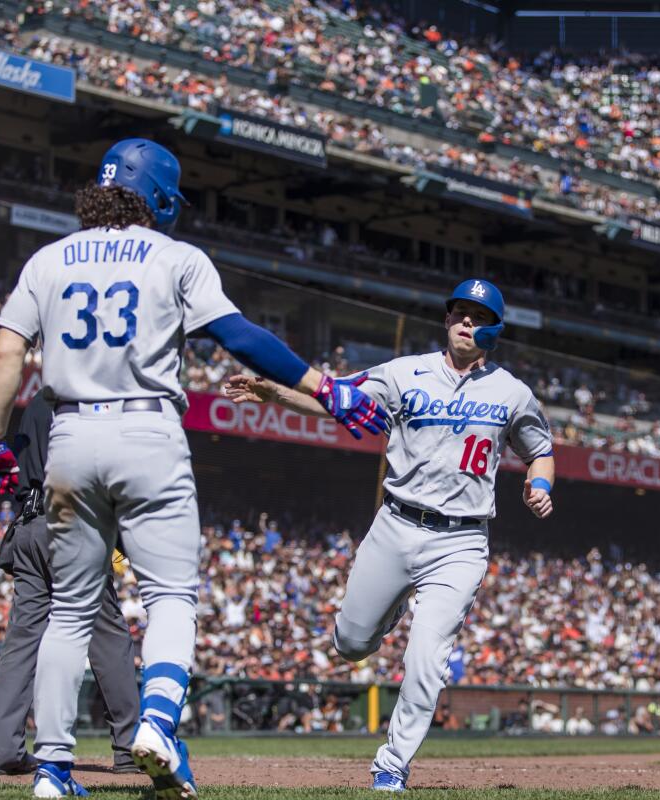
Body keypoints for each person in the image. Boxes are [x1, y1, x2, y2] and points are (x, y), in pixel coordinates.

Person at [0, 138, 385, 799]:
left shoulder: (48, 259)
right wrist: (325, 387)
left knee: (70, 612)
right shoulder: (175, 257)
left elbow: (5, 353)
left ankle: (53, 772)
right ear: (162, 199)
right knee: (170, 596)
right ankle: (159, 723)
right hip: (146, 430)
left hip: (71, 435)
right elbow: (241, 338)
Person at [224, 278, 555, 791]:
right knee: (352, 644)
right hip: (396, 524)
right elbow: (335, 398)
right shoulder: (405, 372)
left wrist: (538, 483)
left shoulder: (513, 392)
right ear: (447, 321)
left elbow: (540, 450)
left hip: (460, 542)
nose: (466, 321)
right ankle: (392, 604)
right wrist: (273, 392)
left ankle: (391, 764)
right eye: (459, 312)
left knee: (428, 656)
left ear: (494, 328)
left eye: (477, 315)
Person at [0, 390, 140, 777]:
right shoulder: (94, 398)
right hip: (75, 524)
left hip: (30, 527)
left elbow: (20, 475)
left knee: (22, 641)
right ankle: (131, 748)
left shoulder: (38, 401)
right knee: (107, 637)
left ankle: (2, 751)